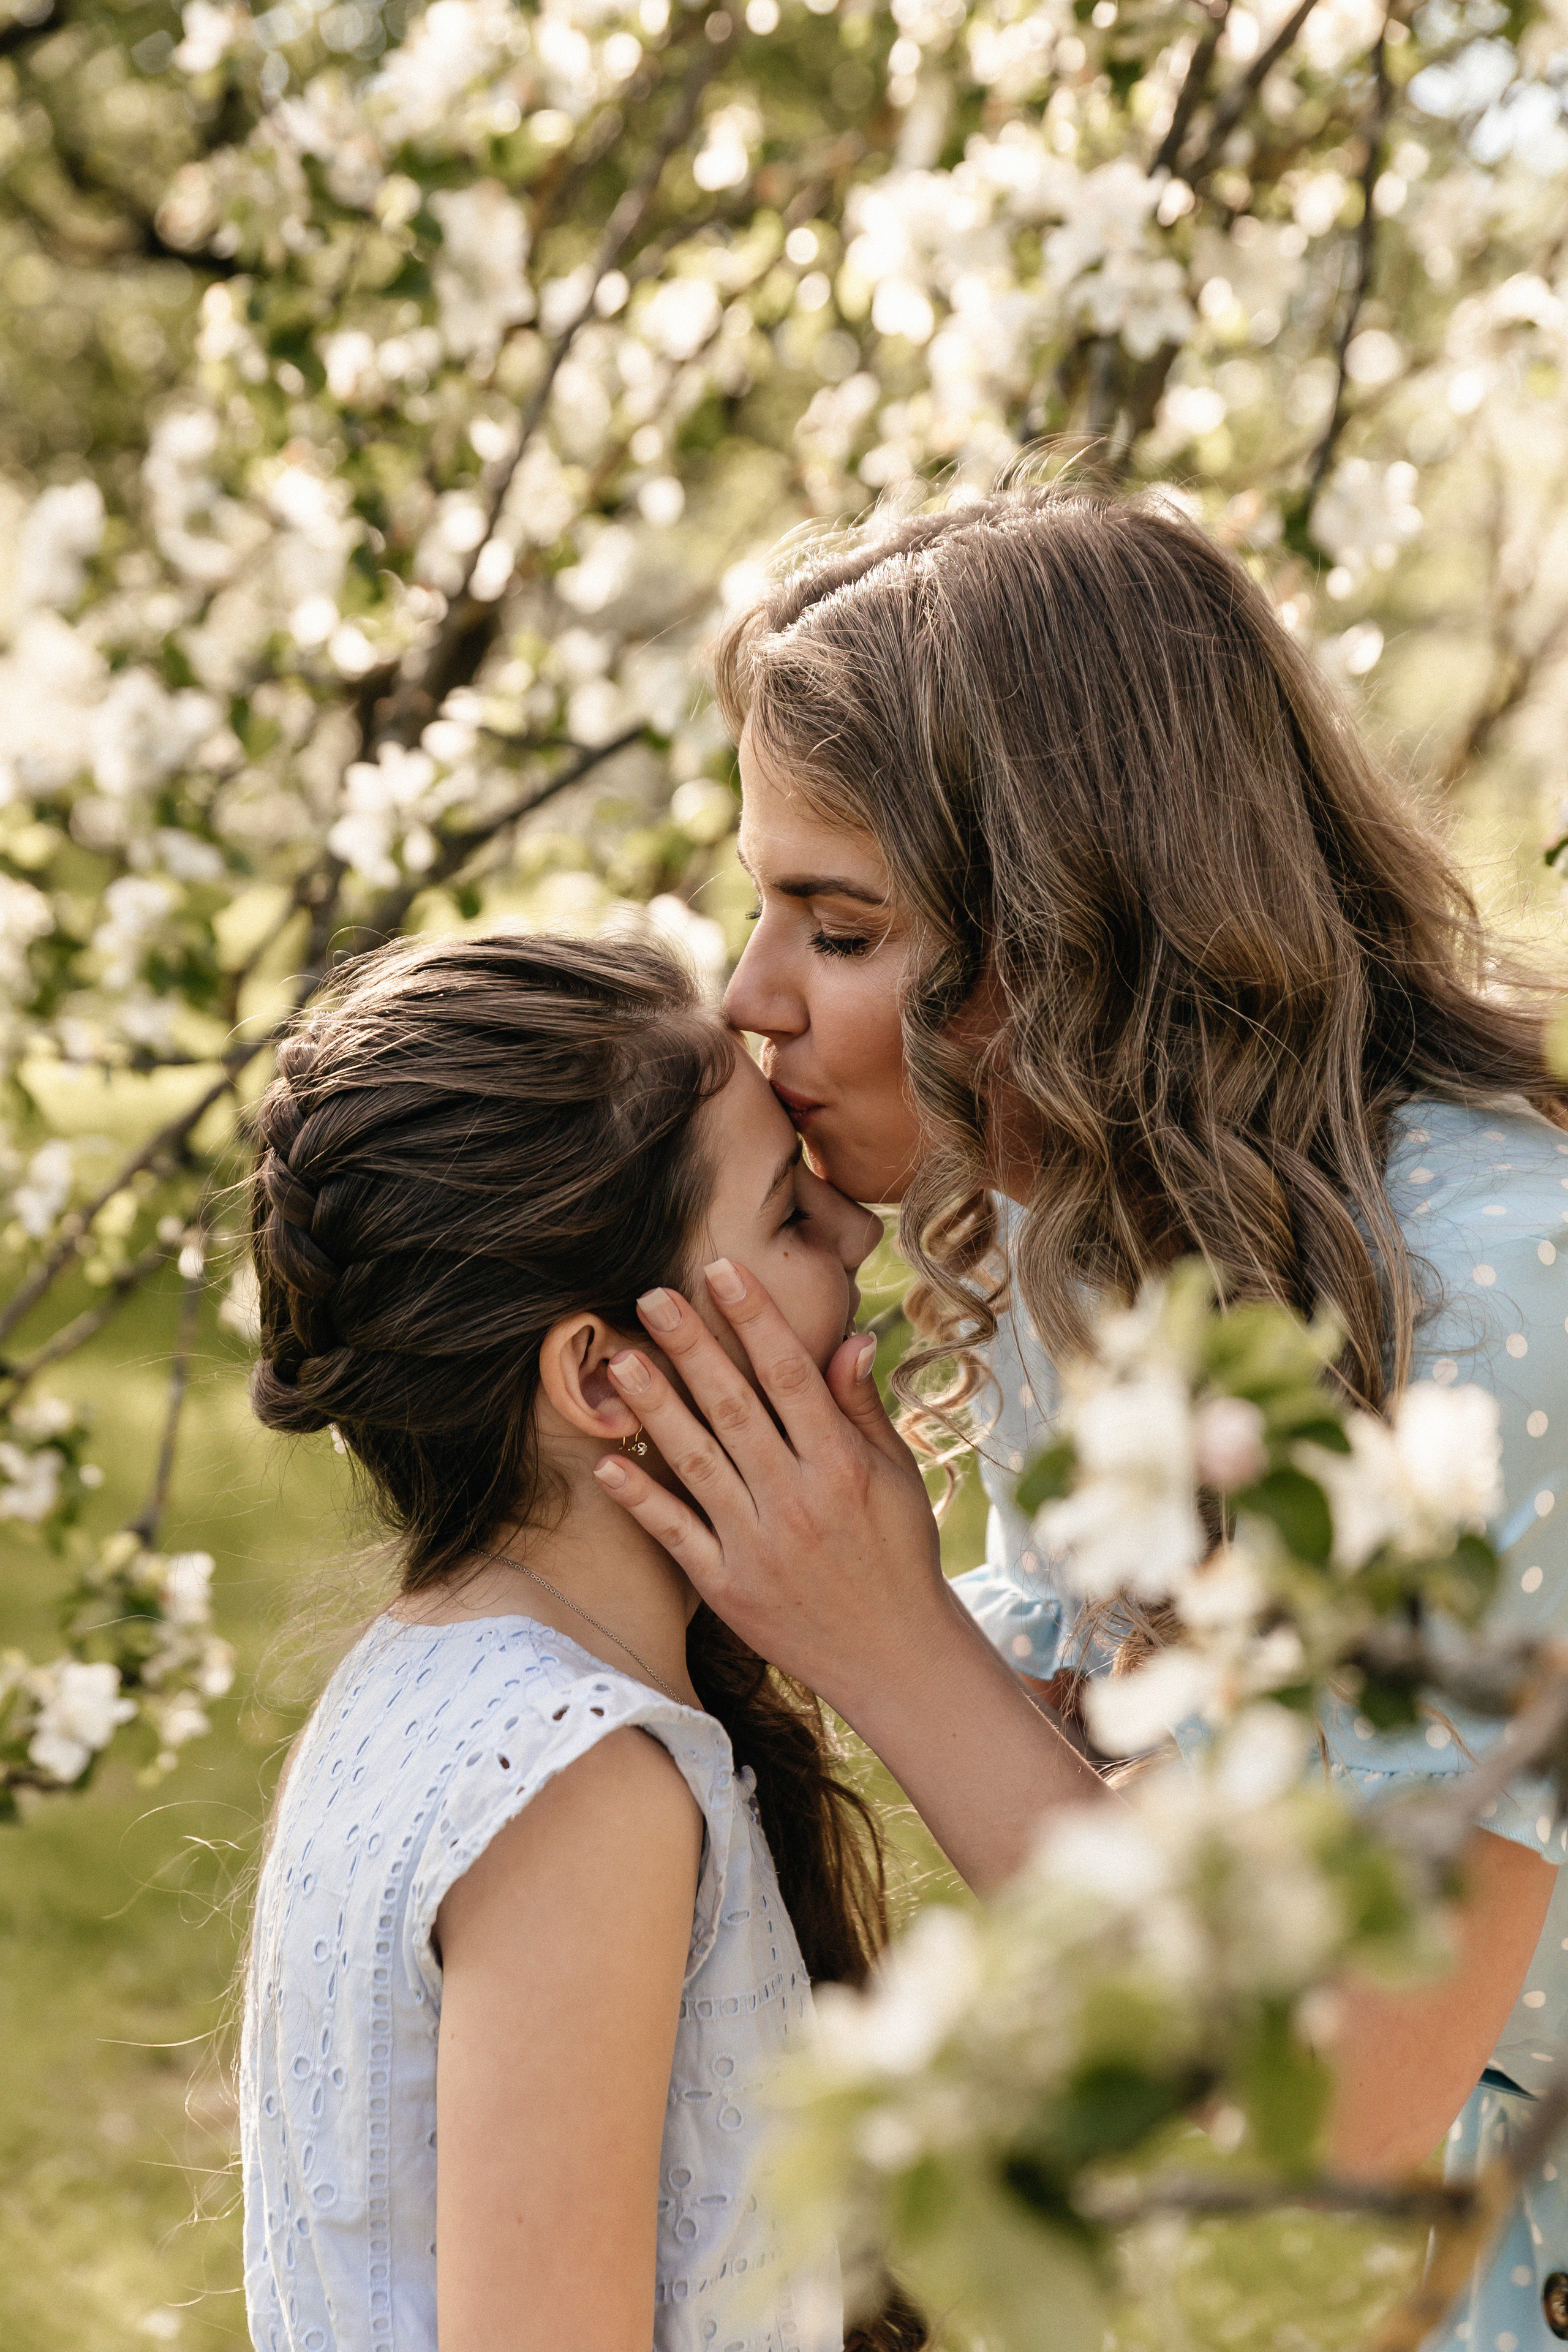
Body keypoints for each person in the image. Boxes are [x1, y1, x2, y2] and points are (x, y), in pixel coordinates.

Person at [588, 484, 1568, 2346]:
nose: (751, 998)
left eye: (841, 925)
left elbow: (1345, 2076)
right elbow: (1128, 1810)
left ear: (1078, 934)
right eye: (759, 901)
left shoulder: (1495, 1299)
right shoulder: (1098, 1244)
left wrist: (884, 1637)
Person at [236, 930, 932, 2352]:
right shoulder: (579, 1786)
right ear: (604, 1374)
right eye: (789, 1221)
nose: (860, 1233)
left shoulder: (427, 1681)